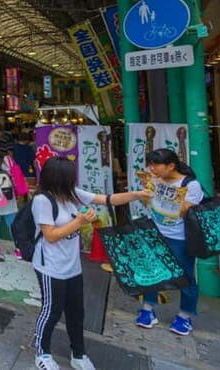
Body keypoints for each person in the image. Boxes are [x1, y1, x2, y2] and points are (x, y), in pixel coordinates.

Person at [32, 157, 152, 370]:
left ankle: (78, 354)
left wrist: (136, 195)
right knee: (51, 311)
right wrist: (79, 221)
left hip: (72, 266)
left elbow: (107, 199)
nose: (74, 180)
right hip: (50, 266)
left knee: (77, 312)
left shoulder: (72, 194)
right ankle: (42, 353)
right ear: (59, 179)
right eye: (70, 176)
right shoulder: (43, 201)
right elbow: (50, 235)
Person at [135, 149, 204, 336]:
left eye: (156, 165)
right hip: (155, 233)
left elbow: (184, 212)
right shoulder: (155, 181)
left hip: (180, 237)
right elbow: (148, 206)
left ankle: (185, 316)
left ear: (171, 166)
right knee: (151, 272)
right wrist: (146, 193)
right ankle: (147, 310)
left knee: (185, 276)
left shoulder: (191, 185)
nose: (152, 168)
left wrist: (166, 194)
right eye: (150, 165)